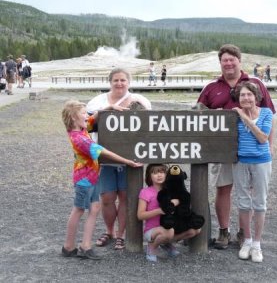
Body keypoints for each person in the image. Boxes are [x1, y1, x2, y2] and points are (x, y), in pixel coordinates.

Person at [196, 44, 275, 250]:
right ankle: (224, 231)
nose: (229, 63)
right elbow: (198, 114)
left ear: (240, 61)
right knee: (223, 189)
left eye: (232, 60)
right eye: (225, 60)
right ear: (220, 63)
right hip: (221, 149)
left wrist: (270, 145)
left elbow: (269, 115)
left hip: (250, 150)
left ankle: (244, 234)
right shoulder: (211, 86)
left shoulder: (255, 83)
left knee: (247, 192)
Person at [61, 100, 142, 259]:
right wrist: (128, 161)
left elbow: (93, 119)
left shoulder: (83, 128)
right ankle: (68, 246)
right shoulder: (79, 138)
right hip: (84, 181)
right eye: (83, 113)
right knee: (78, 210)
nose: (87, 116)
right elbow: (103, 152)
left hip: (92, 177)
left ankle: (86, 246)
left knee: (95, 208)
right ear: (72, 117)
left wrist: (109, 107)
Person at [86, 68, 151, 250]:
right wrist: (107, 109)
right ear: (110, 82)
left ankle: (121, 234)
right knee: (107, 197)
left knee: (125, 197)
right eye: (116, 80)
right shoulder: (98, 101)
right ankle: (109, 231)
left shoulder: (140, 100)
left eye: (123, 80)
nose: (119, 83)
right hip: (105, 157)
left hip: (129, 158)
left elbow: (148, 127)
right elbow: (87, 124)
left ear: (129, 82)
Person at [232, 82, 273, 263]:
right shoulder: (234, 115)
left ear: (256, 97)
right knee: (243, 202)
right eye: (242, 95)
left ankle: (257, 244)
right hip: (241, 161)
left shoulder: (266, 113)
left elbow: (263, 138)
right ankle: (247, 240)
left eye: (249, 95)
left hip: (261, 162)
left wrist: (243, 116)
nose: (246, 98)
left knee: (260, 203)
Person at [137, 164, 201, 262]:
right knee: (169, 231)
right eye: (155, 173)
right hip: (152, 230)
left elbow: (182, 200)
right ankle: (152, 248)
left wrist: (178, 202)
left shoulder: (171, 190)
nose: (159, 175)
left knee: (195, 230)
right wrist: (159, 211)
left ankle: (165, 243)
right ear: (149, 176)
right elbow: (140, 215)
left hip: (170, 226)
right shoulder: (146, 192)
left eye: (162, 172)